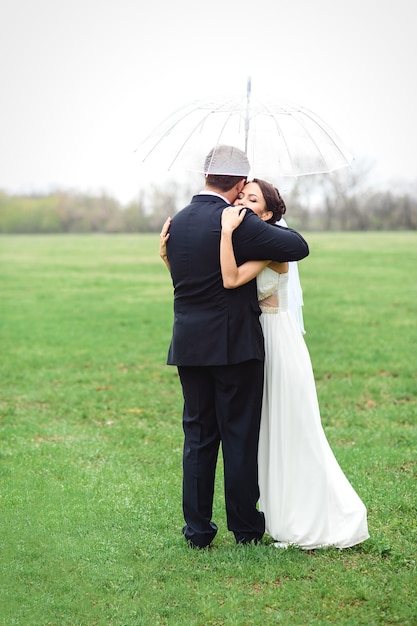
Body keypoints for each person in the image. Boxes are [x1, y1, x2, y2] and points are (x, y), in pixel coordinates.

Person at [160, 145, 309, 549]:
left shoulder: (178, 221)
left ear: (204, 176)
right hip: (235, 346)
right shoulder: (238, 220)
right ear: (240, 182)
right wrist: (254, 224)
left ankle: (197, 532)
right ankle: (244, 528)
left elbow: (186, 279)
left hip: (189, 344)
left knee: (198, 436)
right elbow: (298, 248)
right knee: (239, 436)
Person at [220, 178, 369, 549]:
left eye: (252, 199)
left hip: (278, 341)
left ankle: (308, 515)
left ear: (268, 214)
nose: (243, 202)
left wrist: (225, 233)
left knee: (289, 426)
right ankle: (276, 511)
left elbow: (231, 279)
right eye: (241, 195)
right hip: (259, 339)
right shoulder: (253, 241)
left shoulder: (274, 247)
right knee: (268, 428)